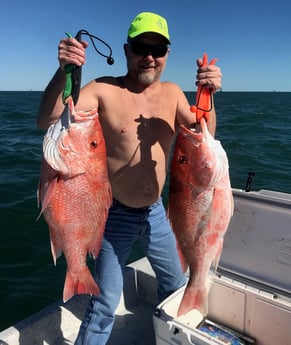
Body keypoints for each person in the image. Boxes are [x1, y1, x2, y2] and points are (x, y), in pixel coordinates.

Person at [37, 11, 222, 345]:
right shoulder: (103, 90)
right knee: (105, 302)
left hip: (158, 214)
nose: (149, 56)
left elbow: (204, 136)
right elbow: (48, 118)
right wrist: (63, 70)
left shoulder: (174, 94)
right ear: (126, 51)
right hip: (113, 216)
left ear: (167, 55)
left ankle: (171, 338)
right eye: (140, 47)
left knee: (177, 286)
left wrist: (208, 94)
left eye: (158, 49)